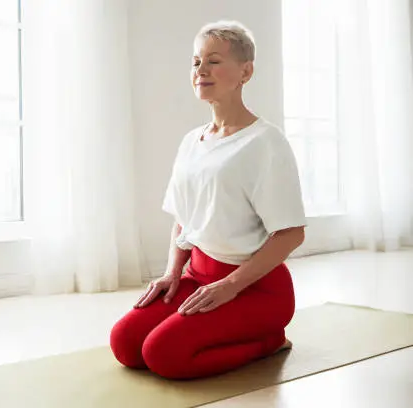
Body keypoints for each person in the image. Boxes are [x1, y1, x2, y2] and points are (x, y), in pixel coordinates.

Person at [109, 20, 307, 380]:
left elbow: (291, 233)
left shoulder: (265, 142)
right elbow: (183, 220)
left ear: (245, 71)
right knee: (125, 344)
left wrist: (230, 286)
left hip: (255, 288)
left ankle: (271, 340)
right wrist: (172, 273)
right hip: (197, 279)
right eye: (196, 61)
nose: (201, 69)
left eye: (213, 60)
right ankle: (217, 322)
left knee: (162, 354)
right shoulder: (191, 141)